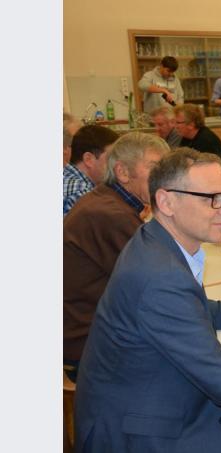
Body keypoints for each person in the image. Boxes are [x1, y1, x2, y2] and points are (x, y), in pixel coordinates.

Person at [75, 148, 221, 451]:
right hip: (144, 435)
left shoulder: (155, 241)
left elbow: (191, 308)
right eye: (212, 199)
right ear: (166, 202)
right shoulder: (161, 277)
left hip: (149, 403)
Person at [63, 133, 169, 380]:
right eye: (155, 168)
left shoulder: (106, 200)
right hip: (89, 344)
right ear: (122, 172)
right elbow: (160, 284)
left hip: (85, 329)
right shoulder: (111, 215)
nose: (164, 177)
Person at [175, 104, 221, 192]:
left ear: (191, 125)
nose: (175, 126)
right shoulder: (186, 137)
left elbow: (208, 173)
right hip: (206, 183)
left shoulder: (205, 140)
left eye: (178, 123)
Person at [63, 125, 119, 216]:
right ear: (88, 159)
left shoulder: (67, 177)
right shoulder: (81, 191)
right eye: (111, 158)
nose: (117, 165)